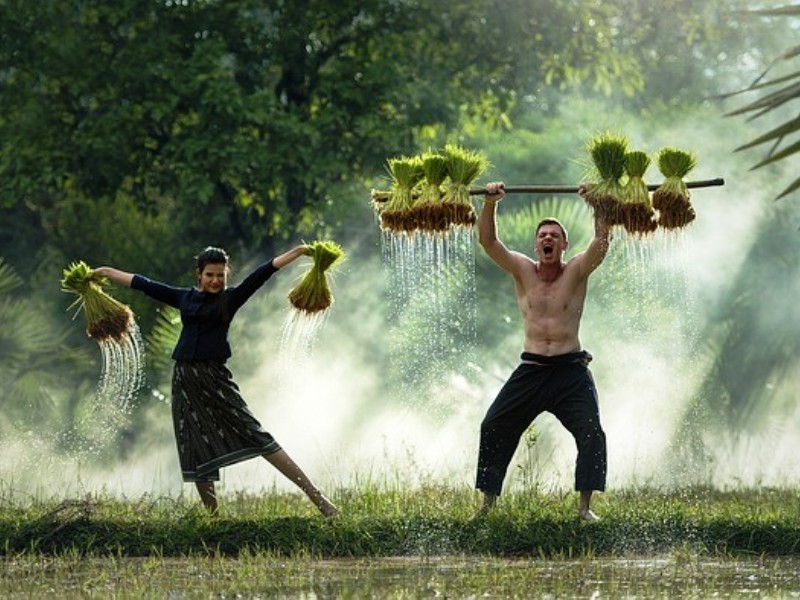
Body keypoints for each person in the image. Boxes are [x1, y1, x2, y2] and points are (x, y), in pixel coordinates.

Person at [94, 246, 338, 518]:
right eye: (210, 274)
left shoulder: (230, 299)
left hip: (215, 377)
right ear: (198, 274)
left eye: (220, 275)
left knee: (255, 433)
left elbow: (263, 273)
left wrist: (299, 251)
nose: (215, 280)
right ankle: (215, 519)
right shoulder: (184, 298)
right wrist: (104, 272)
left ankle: (320, 500)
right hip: (185, 379)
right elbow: (144, 284)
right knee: (194, 444)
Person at [475, 181, 612, 521]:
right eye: (542, 236)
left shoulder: (577, 270)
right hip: (532, 368)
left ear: (564, 244)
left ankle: (584, 509)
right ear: (536, 245)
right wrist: (491, 203)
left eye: (554, 235)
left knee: (592, 432)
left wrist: (597, 205)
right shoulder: (523, 269)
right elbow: (489, 242)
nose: (547, 239)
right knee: (493, 426)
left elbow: (601, 242)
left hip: (570, 370)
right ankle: (487, 506)